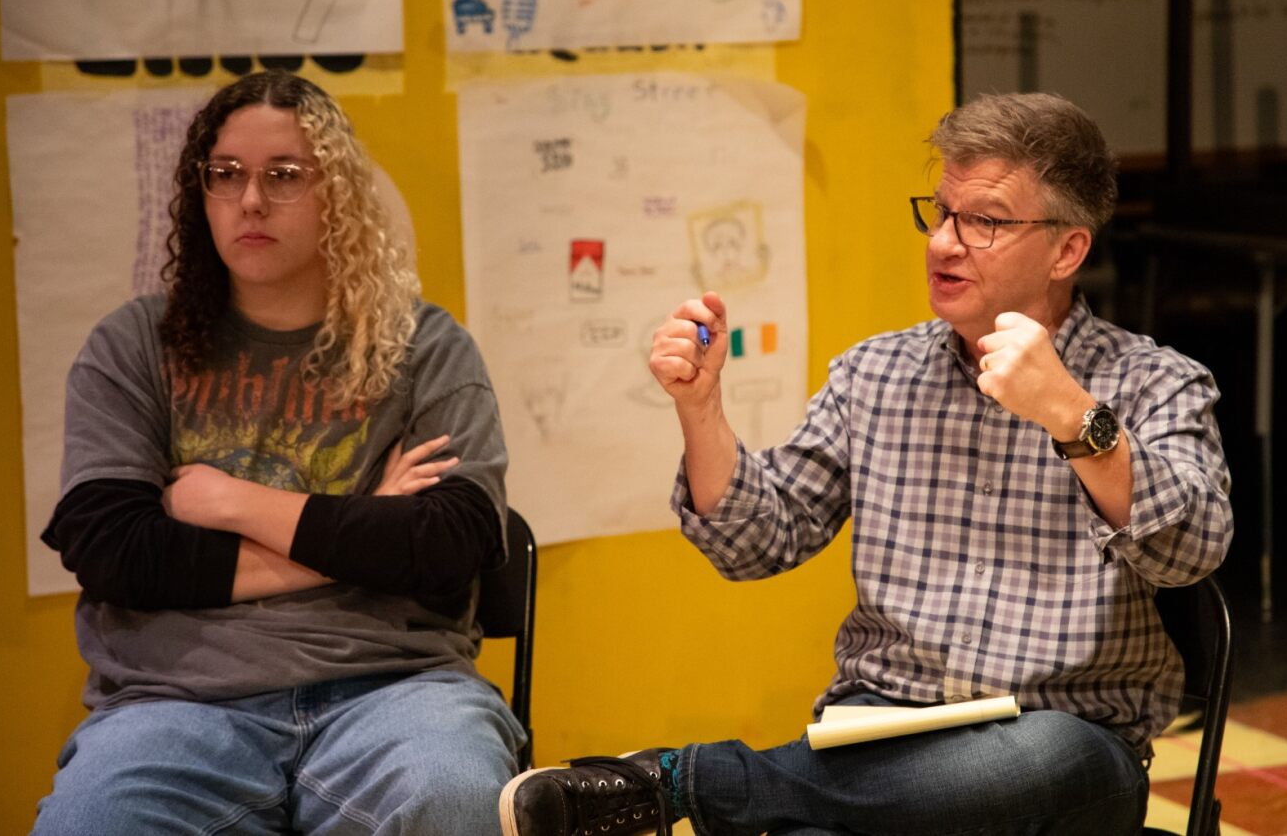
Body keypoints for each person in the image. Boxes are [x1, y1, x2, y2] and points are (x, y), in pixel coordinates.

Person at [499, 93, 1233, 835]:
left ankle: (684, 780)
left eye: (983, 221)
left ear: (1067, 250)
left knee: (1034, 759)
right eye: (941, 212)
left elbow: (1192, 551)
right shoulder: (875, 373)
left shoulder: (1154, 381)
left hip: (1063, 741)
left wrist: (1074, 417)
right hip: (885, 731)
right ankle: (734, 789)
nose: (944, 243)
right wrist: (701, 407)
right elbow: (759, 542)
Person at [34, 70, 526, 835]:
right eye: (225, 175)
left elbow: (449, 544)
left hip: (397, 690)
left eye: (284, 176)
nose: (251, 200)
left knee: (455, 801)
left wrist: (232, 504)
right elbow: (115, 552)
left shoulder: (423, 346)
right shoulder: (132, 344)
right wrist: (365, 525)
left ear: (338, 197)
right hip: (173, 702)